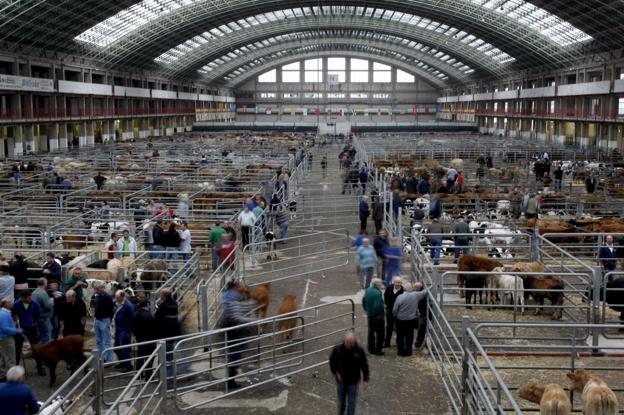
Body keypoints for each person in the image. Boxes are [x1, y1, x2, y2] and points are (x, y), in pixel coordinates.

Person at [221, 282, 256, 388]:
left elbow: (237, 309)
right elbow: (236, 315)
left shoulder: (227, 296)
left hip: (230, 328)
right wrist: (252, 320)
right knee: (235, 353)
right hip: (235, 329)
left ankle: (232, 377)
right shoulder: (234, 296)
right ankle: (230, 381)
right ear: (235, 287)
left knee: (235, 352)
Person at [329, 331, 369, 415]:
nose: (350, 345)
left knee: (352, 403)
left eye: (352, 343)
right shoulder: (338, 349)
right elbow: (332, 362)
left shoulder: (359, 350)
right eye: (348, 343)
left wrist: (366, 379)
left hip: (353, 381)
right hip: (341, 381)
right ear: (345, 341)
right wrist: (336, 372)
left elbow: (364, 365)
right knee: (341, 403)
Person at [12, 291, 45, 375]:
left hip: (32, 328)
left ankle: (40, 367)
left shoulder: (35, 304)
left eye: (30, 297)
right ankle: (15, 369)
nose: (31, 299)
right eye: (29, 298)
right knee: (18, 348)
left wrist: (34, 322)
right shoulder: (16, 304)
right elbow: (14, 314)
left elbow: (37, 314)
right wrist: (16, 319)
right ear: (23, 298)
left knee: (35, 347)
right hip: (20, 328)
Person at [392, 282, 428, 356]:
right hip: (411, 319)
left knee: (400, 336)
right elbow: (425, 292)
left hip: (400, 319)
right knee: (409, 336)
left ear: (404, 289)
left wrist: (395, 316)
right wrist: (433, 285)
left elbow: (395, 310)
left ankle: (401, 351)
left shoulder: (400, 297)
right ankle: (408, 351)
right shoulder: (416, 295)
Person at [155, 288, 181, 377]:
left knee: (165, 355)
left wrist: (160, 305)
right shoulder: (174, 303)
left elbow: (157, 317)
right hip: (173, 333)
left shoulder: (164, 306)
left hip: (164, 333)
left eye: (160, 294)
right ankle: (169, 374)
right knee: (169, 355)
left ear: (163, 296)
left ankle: (166, 376)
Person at [132, 298, 158, 377]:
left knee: (140, 356)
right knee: (149, 357)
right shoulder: (149, 315)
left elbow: (134, 327)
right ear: (147, 305)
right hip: (150, 339)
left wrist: (136, 335)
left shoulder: (136, 314)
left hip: (140, 338)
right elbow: (154, 327)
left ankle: (139, 373)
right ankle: (148, 375)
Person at [113, 290, 135, 372]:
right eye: (116, 297)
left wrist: (130, 329)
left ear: (122, 297)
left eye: (117, 298)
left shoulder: (128, 306)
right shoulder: (118, 303)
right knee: (117, 347)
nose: (116, 299)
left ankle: (127, 366)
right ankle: (122, 363)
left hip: (125, 329)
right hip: (119, 328)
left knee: (125, 348)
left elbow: (132, 318)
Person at [0, 298, 21, 380]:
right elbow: (5, 328)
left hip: (3, 337)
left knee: (3, 356)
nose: (12, 303)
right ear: (4, 303)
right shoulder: (4, 314)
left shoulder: (4, 313)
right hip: (6, 337)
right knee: (11, 357)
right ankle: (12, 377)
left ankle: (2, 374)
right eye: (9, 302)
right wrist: (17, 330)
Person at [362, 279, 385, 355]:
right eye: (381, 283)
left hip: (370, 315)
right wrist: (379, 314)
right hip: (377, 316)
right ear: (377, 284)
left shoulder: (368, 290)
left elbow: (364, 300)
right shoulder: (377, 293)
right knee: (380, 333)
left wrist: (366, 309)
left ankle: (371, 348)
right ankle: (379, 350)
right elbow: (377, 306)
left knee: (371, 332)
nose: (382, 285)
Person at [93, 281, 114, 363]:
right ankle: (102, 357)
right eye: (95, 288)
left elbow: (111, 310)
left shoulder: (106, 297)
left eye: (97, 288)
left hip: (104, 320)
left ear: (101, 288)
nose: (95, 290)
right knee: (99, 340)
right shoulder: (97, 296)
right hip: (97, 319)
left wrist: (109, 320)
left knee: (106, 341)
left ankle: (109, 359)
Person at [383, 276, 404, 348]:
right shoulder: (389, 288)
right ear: (393, 282)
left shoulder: (403, 291)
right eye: (396, 282)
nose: (398, 284)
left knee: (399, 328)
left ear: (401, 283)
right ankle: (387, 343)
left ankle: (399, 343)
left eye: (399, 282)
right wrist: (386, 305)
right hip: (390, 312)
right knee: (389, 327)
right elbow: (385, 296)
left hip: (399, 313)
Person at [32, 278, 53, 344]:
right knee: (46, 336)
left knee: (40, 336)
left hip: (37, 317)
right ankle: (46, 351)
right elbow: (48, 306)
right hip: (44, 317)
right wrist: (52, 300)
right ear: (45, 284)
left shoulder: (33, 292)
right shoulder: (43, 293)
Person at [414, 282, 429, 349]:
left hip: (424, 314)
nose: (416, 288)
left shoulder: (422, 294)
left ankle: (418, 344)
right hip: (422, 313)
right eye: (415, 287)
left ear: (420, 287)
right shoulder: (419, 293)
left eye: (417, 287)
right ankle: (419, 342)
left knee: (421, 328)